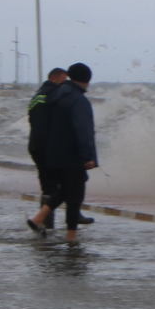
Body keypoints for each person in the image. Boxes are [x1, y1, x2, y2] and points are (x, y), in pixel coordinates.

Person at [39, 63, 98, 237]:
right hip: (72, 154)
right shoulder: (78, 99)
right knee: (73, 191)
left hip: (54, 152)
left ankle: (69, 233)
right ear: (87, 79)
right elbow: (83, 130)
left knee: (69, 190)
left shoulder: (56, 95)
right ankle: (46, 222)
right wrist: (88, 156)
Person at [25, 67, 69, 234]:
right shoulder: (52, 95)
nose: (65, 84)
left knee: (48, 184)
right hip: (47, 146)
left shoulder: (37, 96)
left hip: (36, 144)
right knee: (63, 183)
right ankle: (44, 222)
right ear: (55, 78)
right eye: (64, 80)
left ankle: (45, 223)